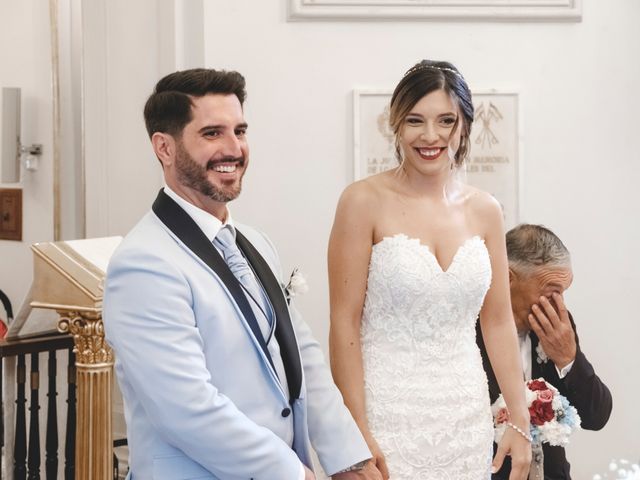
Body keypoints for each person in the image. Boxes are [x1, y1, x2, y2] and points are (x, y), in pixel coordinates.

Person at [103, 68, 380, 480]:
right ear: (164, 147)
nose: (234, 148)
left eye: (240, 131)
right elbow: (187, 409)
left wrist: (347, 458)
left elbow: (301, 356)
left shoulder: (253, 241)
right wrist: (295, 473)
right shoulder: (144, 263)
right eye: (212, 133)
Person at [328, 59, 532, 480]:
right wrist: (354, 432)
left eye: (445, 121)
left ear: (463, 127)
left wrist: (519, 419)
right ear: (396, 125)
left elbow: (496, 322)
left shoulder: (486, 210)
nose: (430, 136)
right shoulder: (362, 201)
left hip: (464, 415)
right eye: (415, 121)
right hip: (386, 414)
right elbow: (343, 322)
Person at [476, 224, 613, 479]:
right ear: (507, 278)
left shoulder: (557, 326)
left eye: (563, 292)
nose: (559, 303)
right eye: (552, 291)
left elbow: (597, 416)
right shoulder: (469, 328)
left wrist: (568, 357)